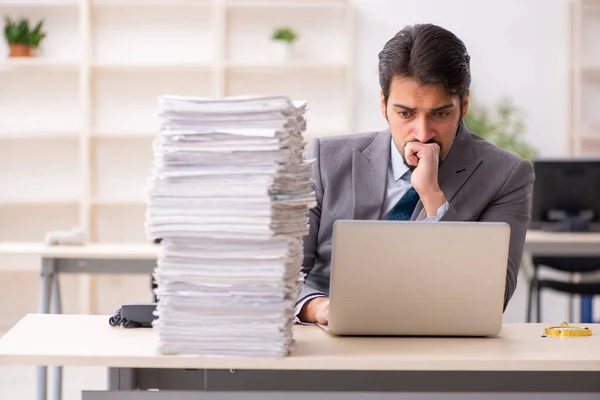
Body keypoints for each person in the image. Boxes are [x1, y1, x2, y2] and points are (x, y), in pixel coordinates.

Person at [296, 23, 535, 324]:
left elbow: (493, 297)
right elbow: (284, 277)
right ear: (383, 105)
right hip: (332, 343)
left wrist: (433, 198)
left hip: (441, 345)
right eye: (405, 113)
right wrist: (322, 309)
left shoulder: (507, 176)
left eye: (440, 113)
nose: (422, 133)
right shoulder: (325, 160)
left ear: (463, 105)